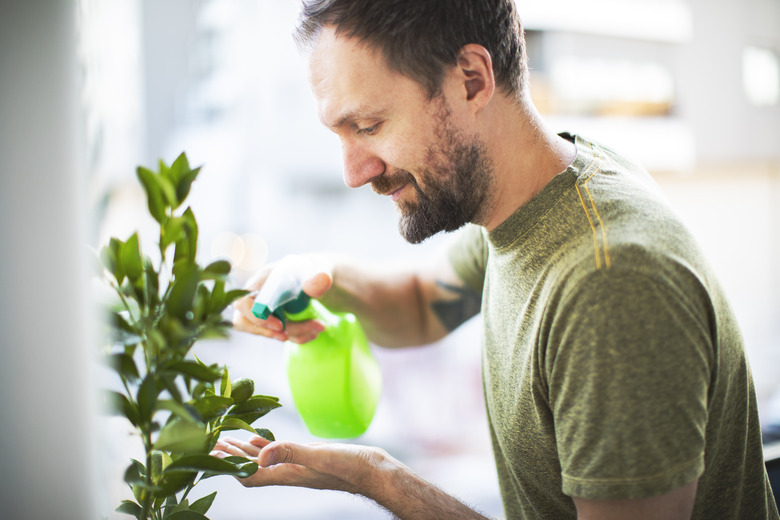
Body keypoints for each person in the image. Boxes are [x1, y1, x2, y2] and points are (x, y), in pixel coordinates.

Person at [212, 1, 780, 518]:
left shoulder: (609, 284)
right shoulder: (530, 199)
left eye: (368, 126)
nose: (354, 171)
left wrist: (382, 481)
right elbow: (420, 304)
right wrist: (315, 278)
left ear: (472, 80)